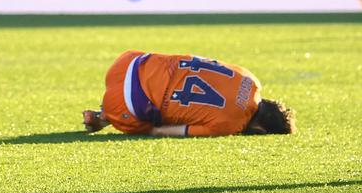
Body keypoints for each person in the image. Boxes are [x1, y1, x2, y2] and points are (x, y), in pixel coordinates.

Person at [82, 51, 295, 137]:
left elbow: (201, 60)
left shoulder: (251, 79)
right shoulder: (231, 125)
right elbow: (172, 131)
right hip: (124, 103)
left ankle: (104, 113)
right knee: (153, 125)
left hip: (129, 62)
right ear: (260, 130)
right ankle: (105, 116)